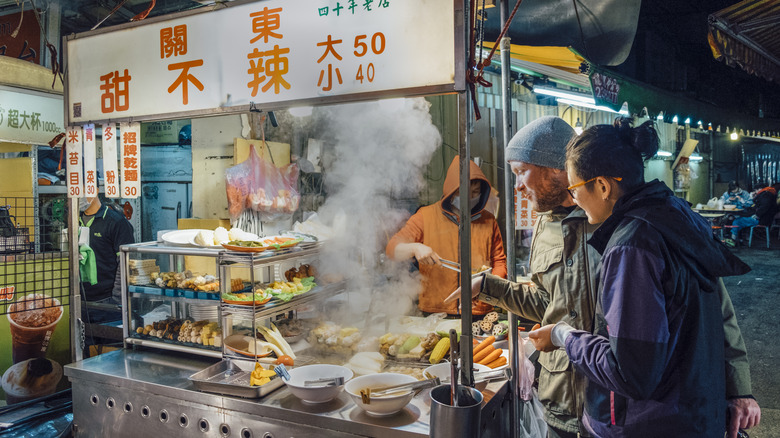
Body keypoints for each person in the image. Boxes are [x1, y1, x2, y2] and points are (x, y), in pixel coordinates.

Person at [446, 116, 759, 438]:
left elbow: (713, 310)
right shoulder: (547, 226)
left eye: (520, 172)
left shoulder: (634, 226)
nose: (517, 186)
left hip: (632, 405)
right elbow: (550, 303)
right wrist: (487, 287)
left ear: (557, 168)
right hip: (566, 400)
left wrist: (739, 388)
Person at [386, 156, 507, 316]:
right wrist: (415, 247)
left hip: (479, 310)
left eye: (475, 193)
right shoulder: (425, 216)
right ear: (451, 190)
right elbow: (392, 249)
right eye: (462, 192)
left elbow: (499, 262)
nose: (469, 198)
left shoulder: (488, 220)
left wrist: (488, 286)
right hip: (435, 310)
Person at [79, 196, 134, 322]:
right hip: (80, 300)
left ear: (95, 190)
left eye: (81, 190)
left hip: (107, 301)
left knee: (108, 340)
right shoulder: (73, 221)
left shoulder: (116, 222)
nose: (77, 195)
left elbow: (125, 262)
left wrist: (117, 298)